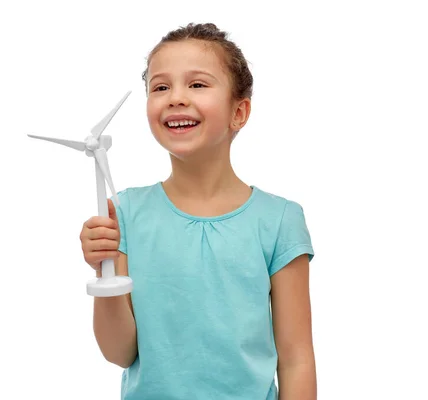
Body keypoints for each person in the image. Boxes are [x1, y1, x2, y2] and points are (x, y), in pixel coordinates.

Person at [80, 22, 316, 400]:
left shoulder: (279, 221)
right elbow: (119, 352)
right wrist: (104, 271)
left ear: (239, 112)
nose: (175, 97)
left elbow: (296, 358)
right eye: (160, 87)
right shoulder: (125, 214)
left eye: (197, 84)